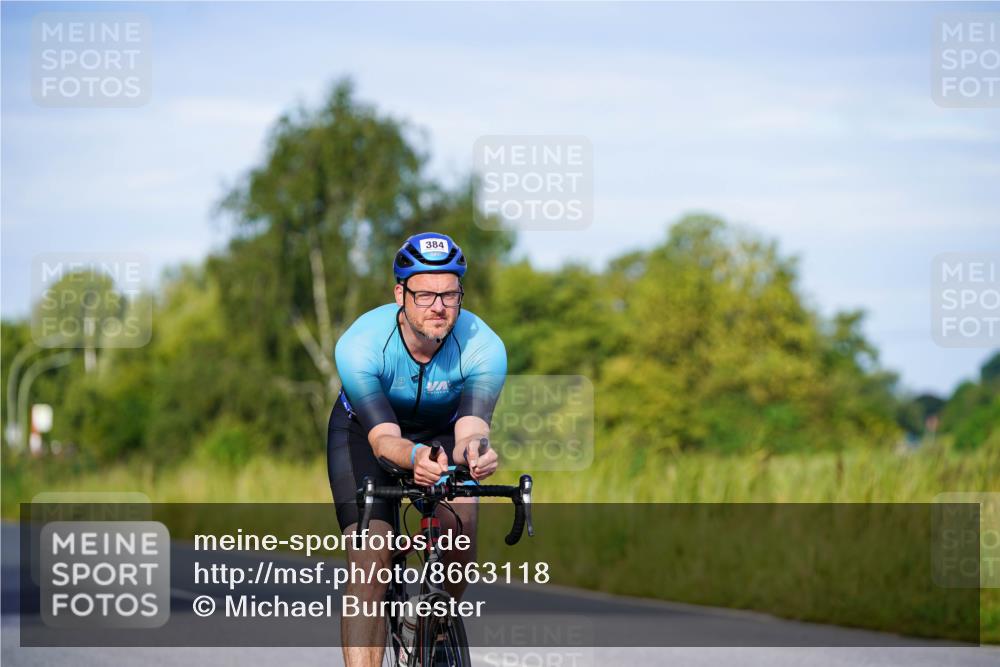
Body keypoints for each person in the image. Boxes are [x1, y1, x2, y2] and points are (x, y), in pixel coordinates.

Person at [327, 231, 506, 667]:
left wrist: (477, 452)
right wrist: (412, 458)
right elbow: (384, 440)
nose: (438, 307)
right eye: (425, 295)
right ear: (400, 295)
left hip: (443, 433)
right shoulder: (360, 345)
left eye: (449, 295)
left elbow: (470, 430)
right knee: (371, 561)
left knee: (460, 545)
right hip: (367, 432)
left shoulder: (485, 347)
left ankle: (429, 631)